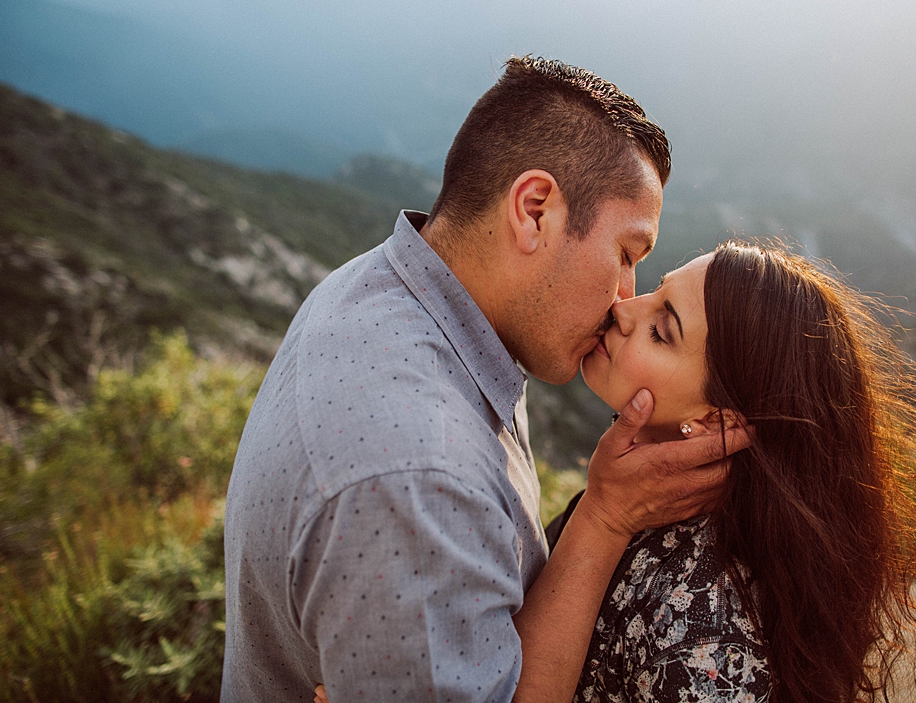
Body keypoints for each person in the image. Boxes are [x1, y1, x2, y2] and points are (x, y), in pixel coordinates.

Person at [221, 56, 750, 702]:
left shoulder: (389, 290)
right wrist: (605, 517)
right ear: (534, 211)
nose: (623, 297)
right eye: (626, 254)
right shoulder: (418, 481)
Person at [554, 242, 916, 702]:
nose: (623, 308)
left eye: (661, 331)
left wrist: (603, 515)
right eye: (657, 290)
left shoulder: (705, 640)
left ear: (716, 422)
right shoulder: (643, 507)